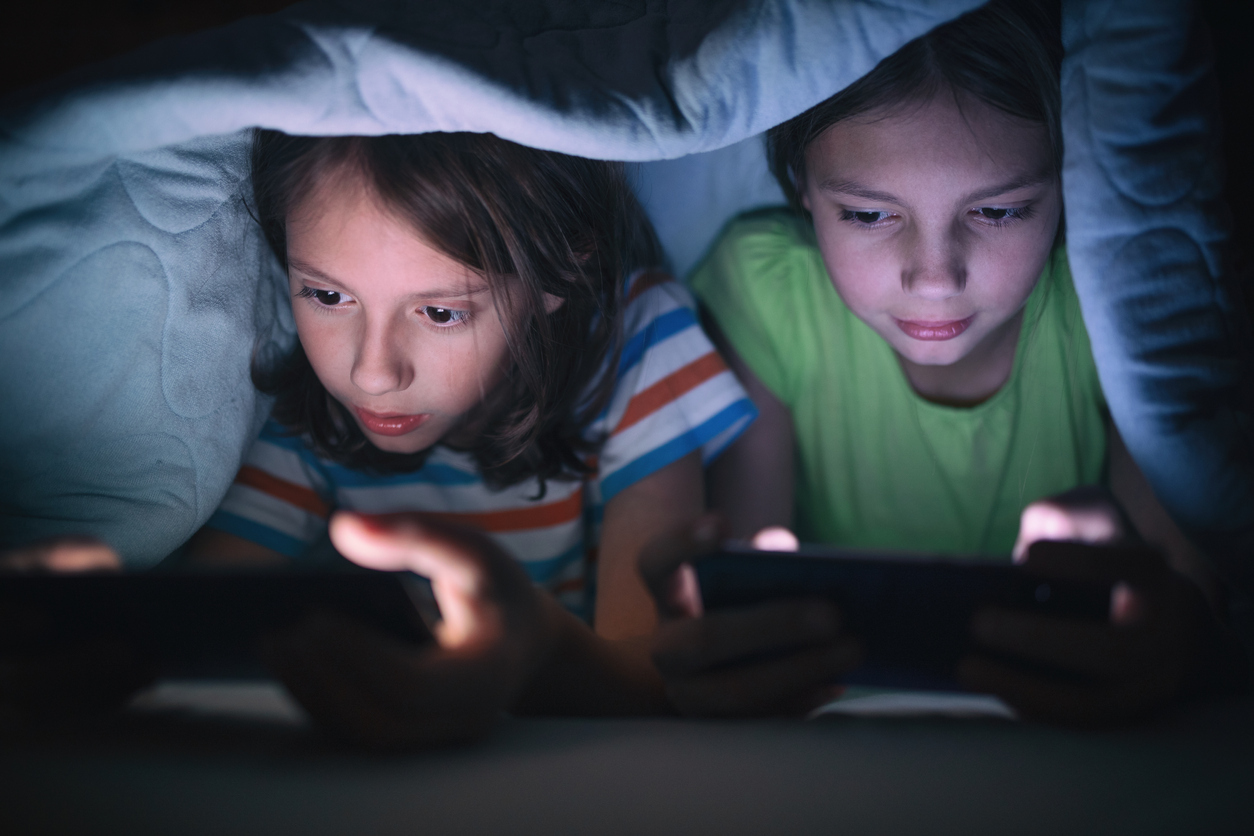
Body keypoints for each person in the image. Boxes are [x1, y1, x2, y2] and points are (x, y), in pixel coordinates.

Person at [640, 0, 1243, 724]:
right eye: (868, 214)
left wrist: (1176, 640)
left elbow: (1182, 587)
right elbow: (742, 583)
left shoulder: (1105, 300)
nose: (935, 276)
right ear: (802, 187)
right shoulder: (764, 294)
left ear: (1068, 187)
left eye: (999, 211)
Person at [169, 129, 755, 743]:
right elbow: (194, 628)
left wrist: (536, 647)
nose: (372, 373)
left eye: (442, 312)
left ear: (558, 270)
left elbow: (656, 670)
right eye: (327, 294)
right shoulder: (304, 391)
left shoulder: (635, 346)